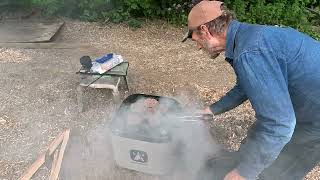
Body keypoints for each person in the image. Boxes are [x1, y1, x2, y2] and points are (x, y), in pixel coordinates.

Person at [182, 1, 320, 180]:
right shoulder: (249, 37)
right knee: (253, 145)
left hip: (314, 121)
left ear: (205, 30)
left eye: (196, 40)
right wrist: (211, 110)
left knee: (276, 173)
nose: (199, 46)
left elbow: (280, 125)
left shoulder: (250, 52)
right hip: (304, 105)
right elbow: (247, 86)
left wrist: (243, 173)